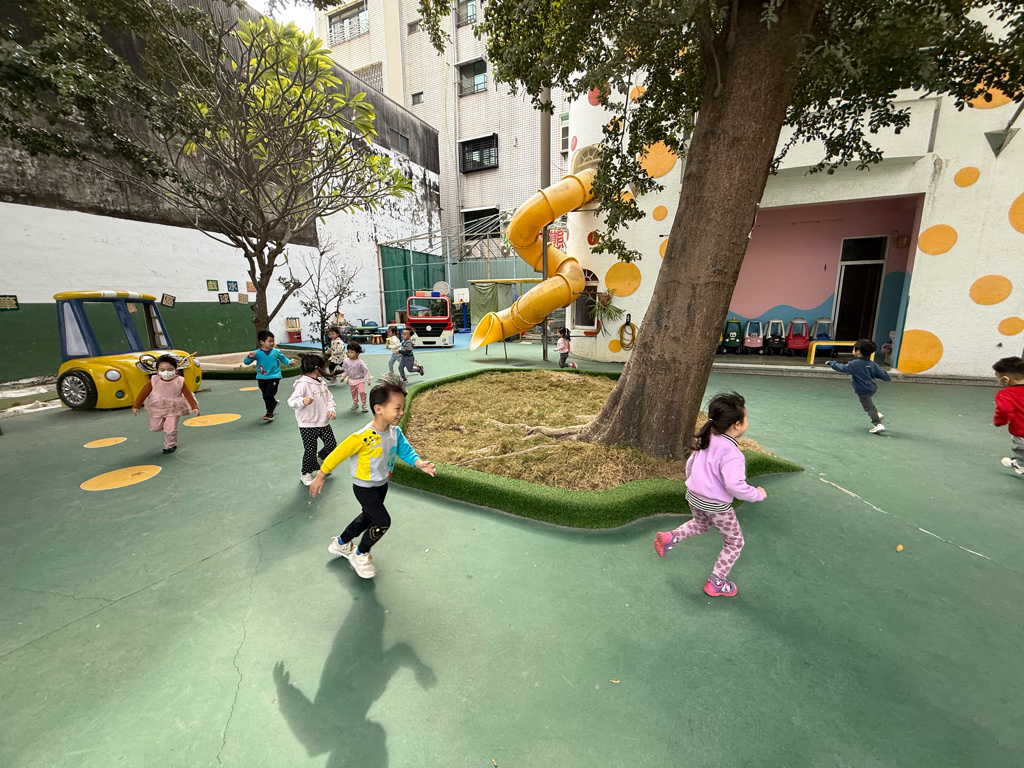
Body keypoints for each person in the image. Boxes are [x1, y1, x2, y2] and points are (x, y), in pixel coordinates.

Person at [309, 377, 436, 579]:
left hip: (381, 485)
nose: (402, 412)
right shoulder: (363, 436)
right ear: (378, 409)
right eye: (397, 408)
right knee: (382, 521)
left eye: (403, 408)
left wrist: (419, 463)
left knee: (368, 517)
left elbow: (405, 450)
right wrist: (320, 475)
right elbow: (337, 455)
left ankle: (341, 543)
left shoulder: (395, 432)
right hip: (364, 487)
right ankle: (360, 554)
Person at [653, 392, 766, 597]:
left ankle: (672, 537)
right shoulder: (733, 454)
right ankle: (717, 582)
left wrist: (695, 484)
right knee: (734, 543)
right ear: (737, 425)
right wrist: (756, 494)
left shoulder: (708, 439)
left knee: (701, 524)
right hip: (717, 506)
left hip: (693, 496)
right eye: (746, 418)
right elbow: (735, 486)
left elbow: (690, 466)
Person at [131, 354, 200, 454]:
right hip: (158, 406)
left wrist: (194, 407)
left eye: (170, 369)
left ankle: (170, 445)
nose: (166, 372)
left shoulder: (179, 381)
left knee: (171, 429)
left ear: (175, 370)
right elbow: (143, 393)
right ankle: (164, 423)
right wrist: (136, 406)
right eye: (162, 370)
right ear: (157, 371)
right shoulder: (154, 380)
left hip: (174, 407)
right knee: (155, 428)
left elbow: (187, 394)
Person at [288, 353, 338, 486]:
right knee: (310, 450)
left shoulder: (321, 382)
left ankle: (320, 460)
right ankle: (306, 473)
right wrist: (302, 401)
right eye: (323, 367)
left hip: (323, 422)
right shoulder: (303, 383)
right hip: (307, 424)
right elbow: (291, 401)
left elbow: (329, 399)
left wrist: (331, 409)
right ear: (316, 368)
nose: (325, 369)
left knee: (331, 444)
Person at [825, 339, 891, 433]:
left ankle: (877, 424)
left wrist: (832, 363)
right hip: (872, 388)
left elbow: (842, 368)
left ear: (858, 351)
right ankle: (877, 413)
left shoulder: (854, 364)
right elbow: (883, 375)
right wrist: (887, 377)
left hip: (862, 389)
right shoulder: (873, 364)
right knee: (869, 403)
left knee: (868, 407)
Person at [243, 330, 295, 422]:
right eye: (269, 341)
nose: (272, 343)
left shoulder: (276, 352)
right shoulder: (256, 353)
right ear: (262, 342)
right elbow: (246, 362)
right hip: (262, 378)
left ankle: (269, 413)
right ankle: (273, 403)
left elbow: (283, 359)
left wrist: (290, 362)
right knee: (265, 395)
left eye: (273, 341)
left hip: (274, 376)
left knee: (268, 394)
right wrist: (249, 357)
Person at [992, 356, 1024, 475]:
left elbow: (1004, 410)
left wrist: (999, 421)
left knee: (1021, 453)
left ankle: (1020, 465)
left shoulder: (1006, 394)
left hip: (1022, 434)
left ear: (1005, 379)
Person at [337, 341, 372, 412]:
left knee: (362, 392)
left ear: (357, 353)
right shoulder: (346, 361)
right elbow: (345, 370)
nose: (349, 354)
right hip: (351, 380)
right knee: (353, 393)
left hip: (360, 379)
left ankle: (364, 403)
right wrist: (343, 377)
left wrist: (367, 379)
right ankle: (355, 403)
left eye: (352, 352)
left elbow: (365, 371)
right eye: (348, 352)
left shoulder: (360, 362)